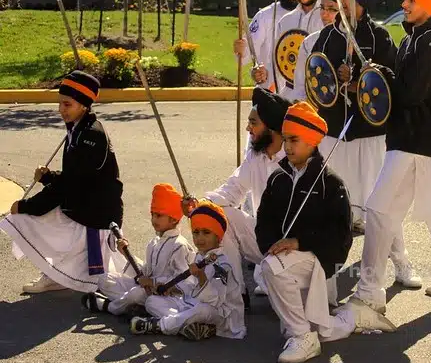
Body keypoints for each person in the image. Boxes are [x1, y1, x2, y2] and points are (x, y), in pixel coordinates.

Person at [342, 0, 431, 322]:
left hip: (413, 141)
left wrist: (378, 76)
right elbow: (399, 87)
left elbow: (410, 92)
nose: (403, 4)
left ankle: (370, 291)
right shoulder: (416, 39)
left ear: (429, 3)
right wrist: (372, 77)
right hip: (415, 141)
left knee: (379, 211)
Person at [256, 102, 392, 363]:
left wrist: (299, 242)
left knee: (272, 268)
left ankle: (302, 338)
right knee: (321, 327)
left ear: (311, 141)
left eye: (294, 140)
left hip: (320, 261)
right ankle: (353, 316)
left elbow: (340, 238)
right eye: (285, 140)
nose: (287, 147)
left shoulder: (331, 184)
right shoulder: (277, 178)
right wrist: (272, 245)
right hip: (286, 262)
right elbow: (264, 221)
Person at [313, 0, 421, 288]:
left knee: (382, 201)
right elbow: (319, 80)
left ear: (362, 2)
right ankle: (326, 267)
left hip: (369, 133)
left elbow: (390, 83)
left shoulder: (379, 37)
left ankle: (399, 259)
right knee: (331, 202)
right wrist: (337, 81)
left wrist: (358, 80)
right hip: (335, 132)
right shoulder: (329, 35)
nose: (341, 2)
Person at [0, 70, 125, 294]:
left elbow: (71, 185)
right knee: (33, 218)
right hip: (83, 204)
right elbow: (76, 178)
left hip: (97, 215)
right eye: (60, 104)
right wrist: (48, 177)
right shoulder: (79, 129)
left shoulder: (90, 136)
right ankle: (58, 274)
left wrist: (28, 206)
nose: (61, 110)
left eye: (67, 105)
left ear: (84, 106)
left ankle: (61, 274)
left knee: (23, 216)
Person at [183, 88, 290, 299]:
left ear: (271, 128)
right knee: (221, 215)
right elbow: (234, 189)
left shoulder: (294, 156)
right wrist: (201, 205)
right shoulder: (256, 154)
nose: (248, 128)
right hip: (267, 239)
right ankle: (235, 294)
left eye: (254, 123)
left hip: (296, 246)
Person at [131, 200, 246, 340]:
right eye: (196, 233)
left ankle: (160, 325)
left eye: (206, 232)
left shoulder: (223, 264)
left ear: (218, 236)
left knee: (201, 310)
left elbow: (214, 300)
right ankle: (186, 326)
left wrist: (201, 276)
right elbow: (191, 286)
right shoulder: (199, 256)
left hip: (222, 314)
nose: (200, 238)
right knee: (152, 301)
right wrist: (173, 288)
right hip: (194, 303)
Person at [83, 183, 194, 315]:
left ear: (174, 220)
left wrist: (153, 283)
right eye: (152, 214)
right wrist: (125, 253)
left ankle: (109, 307)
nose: (153, 219)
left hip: (166, 296)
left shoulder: (179, 245)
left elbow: (184, 283)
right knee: (104, 279)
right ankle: (135, 307)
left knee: (135, 294)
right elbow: (143, 273)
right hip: (145, 289)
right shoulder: (154, 242)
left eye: (159, 216)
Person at [234, 0, 298, 91]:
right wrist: (241, 49)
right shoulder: (265, 15)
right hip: (271, 90)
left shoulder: (314, 14)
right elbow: (246, 55)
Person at [274, 0, 328, 95]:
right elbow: (279, 60)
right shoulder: (286, 21)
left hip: (320, 94)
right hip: (289, 94)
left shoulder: (330, 18)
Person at [287, 0, 340, 103]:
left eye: (332, 9)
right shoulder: (309, 42)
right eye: (322, 8)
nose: (324, 14)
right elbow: (300, 86)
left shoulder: (357, 41)